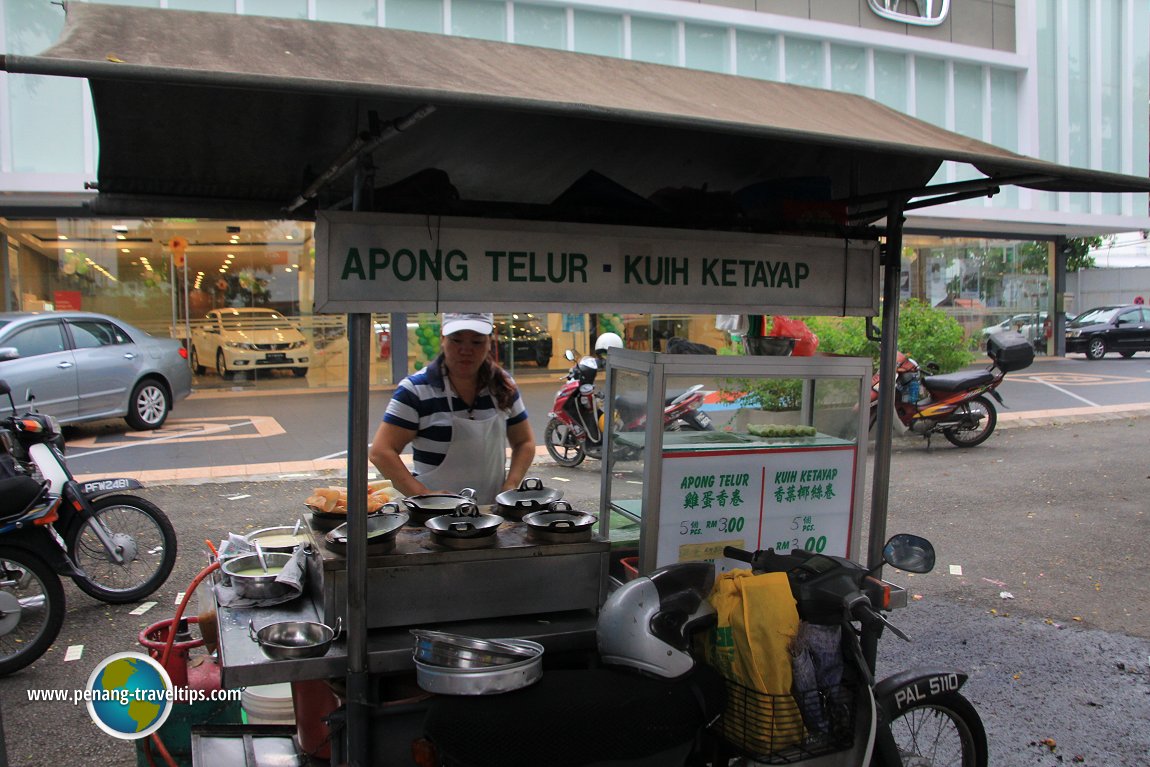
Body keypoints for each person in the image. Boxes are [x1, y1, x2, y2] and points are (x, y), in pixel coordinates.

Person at [369, 313, 536, 505]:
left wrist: (511, 485)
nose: (466, 350)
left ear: (490, 343)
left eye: (477, 342)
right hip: (433, 516)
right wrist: (422, 494)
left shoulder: (502, 386)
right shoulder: (415, 391)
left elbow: (524, 442)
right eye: (456, 340)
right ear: (442, 339)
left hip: (491, 513)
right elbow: (381, 452)